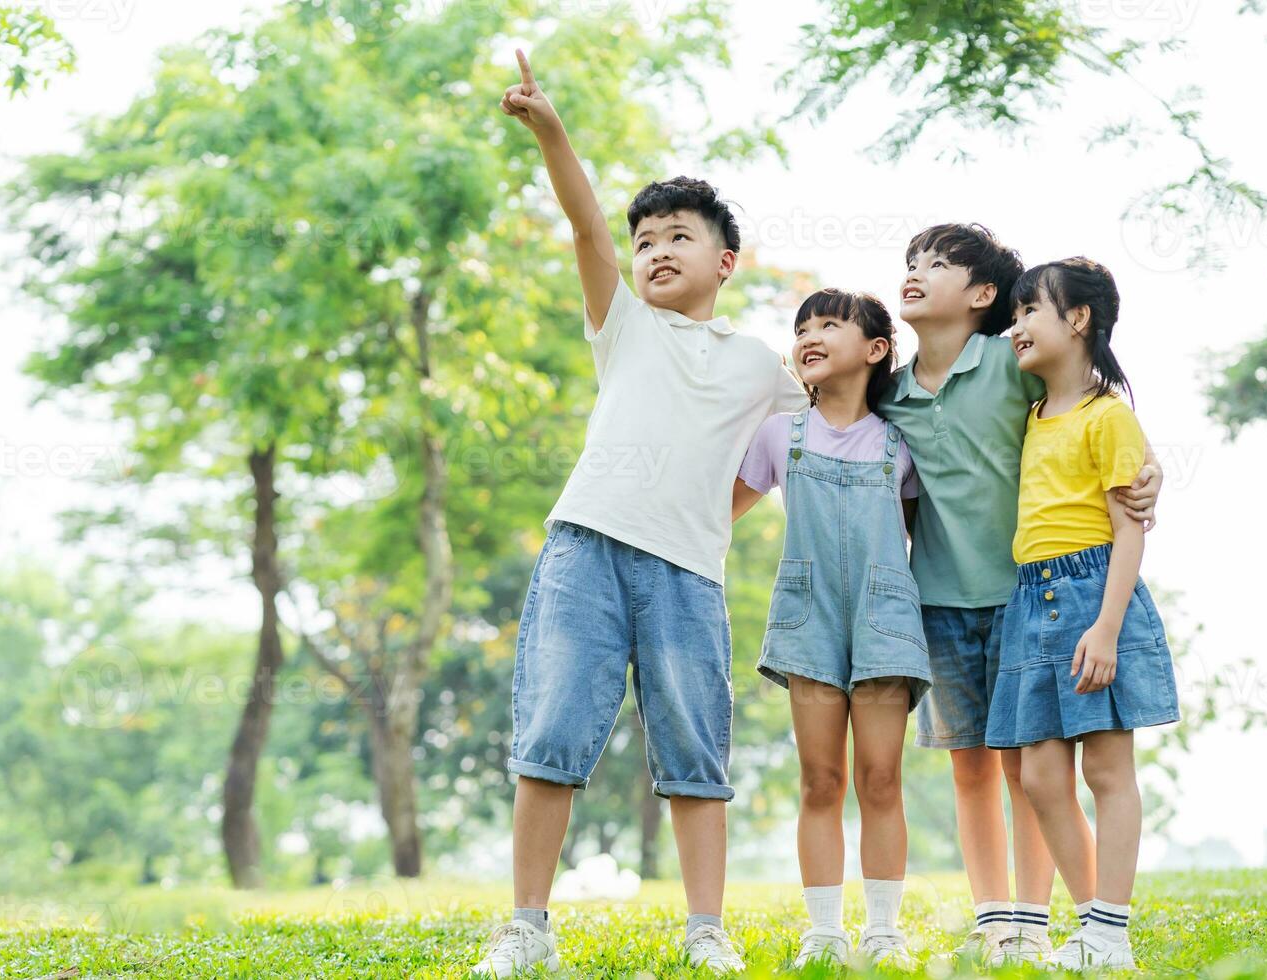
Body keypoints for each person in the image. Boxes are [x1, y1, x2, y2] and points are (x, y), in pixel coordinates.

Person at [473, 49, 807, 977]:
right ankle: (526, 928)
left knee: (696, 751)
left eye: (678, 237)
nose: (656, 251)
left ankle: (708, 931)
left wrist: (715, 513)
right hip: (584, 549)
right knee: (548, 737)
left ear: (725, 261)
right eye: (647, 238)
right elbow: (585, 226)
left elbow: (800, 455)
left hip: (688, 575)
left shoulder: (756, 366)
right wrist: (552, 130)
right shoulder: (622, 324)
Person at [877, 225, 1166, 966]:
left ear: (982, 296)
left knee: (1032, 767)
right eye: (911, 262)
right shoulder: (892, 393)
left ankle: (1050, 921)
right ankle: (997, 918)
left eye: (938, 263)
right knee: (977, 765)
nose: (916, 272)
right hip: (942, 598)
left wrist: (1147, 466)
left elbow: (1094, 404)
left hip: (1031, 599)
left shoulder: (1011, 361)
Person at [986, 256, 1181, 970]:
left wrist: (1105, 627)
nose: (1017, 327)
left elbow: (1129, 527)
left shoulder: (1108, 415)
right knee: (1039, 777)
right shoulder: (1033, 412)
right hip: (1030, 599)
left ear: (1078, 319)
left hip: (1092, 596)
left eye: (1030, 310)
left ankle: (1108, 931)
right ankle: (1094, 923)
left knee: (1106, 769)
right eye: (1013, 314)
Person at [733, 289, 931, 970]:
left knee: (881, 779)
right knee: (821, 780)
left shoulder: (904, 444)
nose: (809, 336)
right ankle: (824, 931)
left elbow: (926, 531)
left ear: (876, 350)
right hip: (807, 616)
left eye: (828, 325)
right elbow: (712, 516)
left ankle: (883, 930)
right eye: (802, 327)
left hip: (885, 618)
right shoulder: (775, 436)